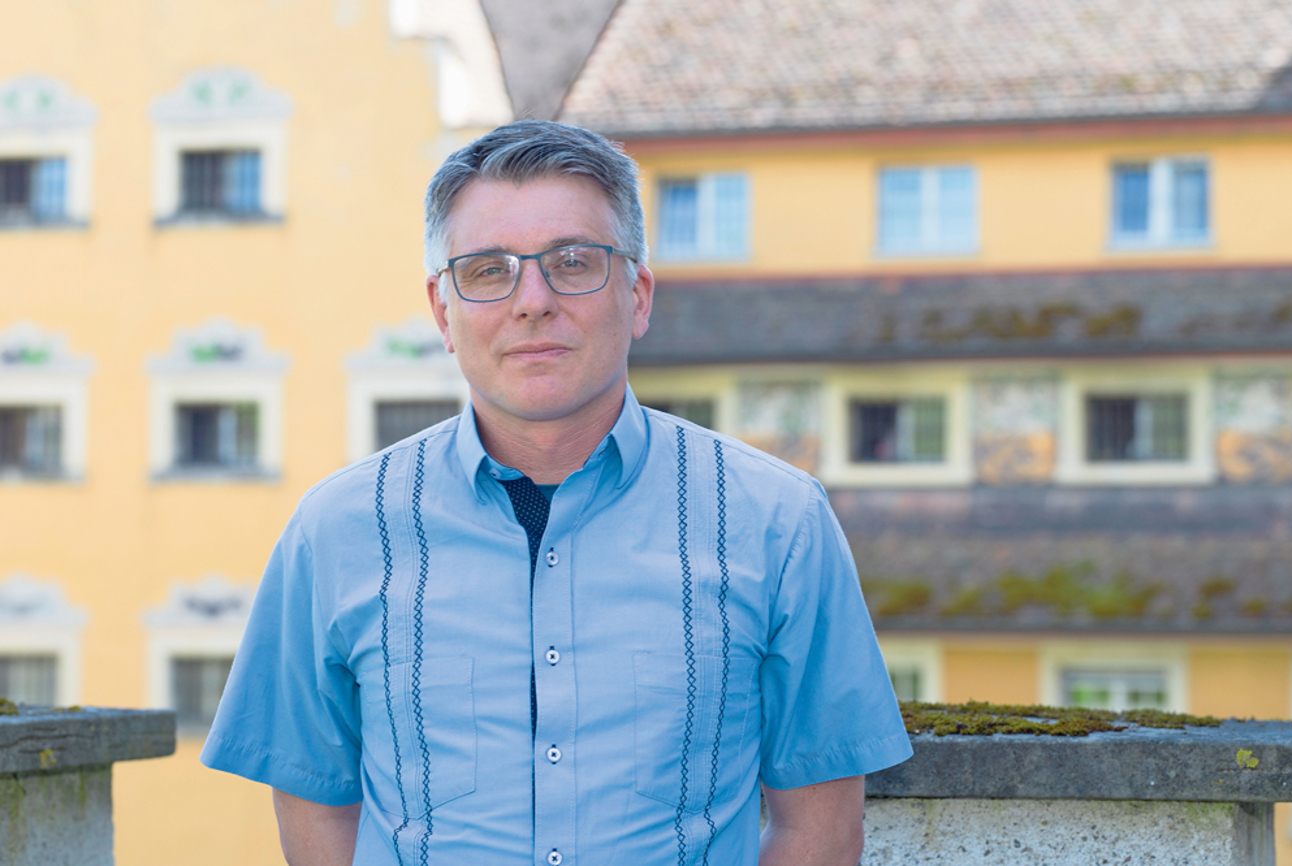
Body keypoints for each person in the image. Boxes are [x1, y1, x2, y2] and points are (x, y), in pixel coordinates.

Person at [201, 119, 911, 866]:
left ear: (637, 296)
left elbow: (820, 828)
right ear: (444, 311)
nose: (532, 300)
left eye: (573, 262)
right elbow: (316, 810)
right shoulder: (336, 531)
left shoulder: (779, 523)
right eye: (487, 270)